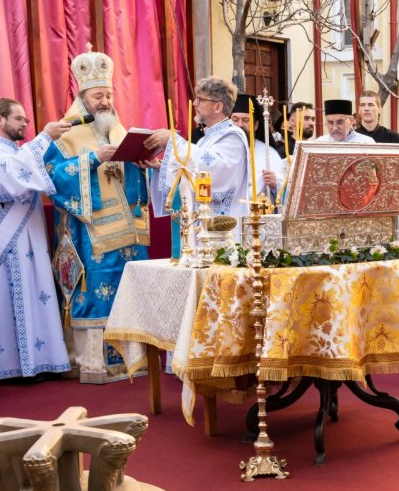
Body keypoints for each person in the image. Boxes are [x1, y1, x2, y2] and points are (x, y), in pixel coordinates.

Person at [43, 46, 154, 384]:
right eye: (97, 96)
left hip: (131, 233)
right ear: (83, 98)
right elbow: (53, 176)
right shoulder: (66, 134)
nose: (105, 102)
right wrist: (92, 159)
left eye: (108, 95)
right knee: (100, 290)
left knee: (128, 291)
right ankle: (95, 365)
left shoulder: (120, 131)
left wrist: (143, 163)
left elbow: (131, 181)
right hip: (92, 234)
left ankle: (133, 361)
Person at [0, 99, 73, 380]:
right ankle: (20, 367)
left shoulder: (19, 151)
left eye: (26, 121)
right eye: (18, 119)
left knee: (39, 292)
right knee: (18, 294)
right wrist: (44, 138)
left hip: (32, 234)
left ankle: (44, 361)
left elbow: (29, 165)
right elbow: (11, 176)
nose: (24, 124)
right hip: (11, 240)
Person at [158, 77, 250, 235]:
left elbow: (214, 169)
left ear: (218, 106)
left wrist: (174, 142)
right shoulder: (204, 140)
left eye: (200, 99)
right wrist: (160, 165)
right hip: (201, 225)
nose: (194, 104)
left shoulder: (233, 136)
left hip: (224, 229)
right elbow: (191, 170)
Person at [230, 93, 287, 202]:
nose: (240, 125)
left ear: (256, 125)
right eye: (235, 120)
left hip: (260, 215)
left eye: (246, 120)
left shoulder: (268, 153)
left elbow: (285, 191)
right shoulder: (220, 149)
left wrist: (275, 184)